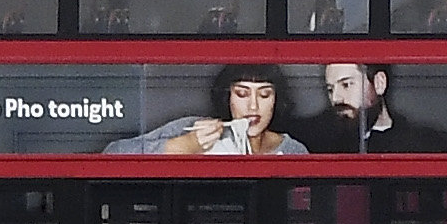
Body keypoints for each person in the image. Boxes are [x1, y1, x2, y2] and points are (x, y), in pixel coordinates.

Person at [108, 63, 306, 155]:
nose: (253, 106)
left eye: (264, 95)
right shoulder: (194, 129)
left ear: (276, 100)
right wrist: (186, 145)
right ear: (227, 97)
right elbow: (113, 153)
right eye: (242, 94)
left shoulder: (292, 150)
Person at [303, 60, 447, 153]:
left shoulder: (421, 142)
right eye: (330, 89)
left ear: (379, 83)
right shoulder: (324, 143)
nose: (336, 98)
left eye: (346, 85)